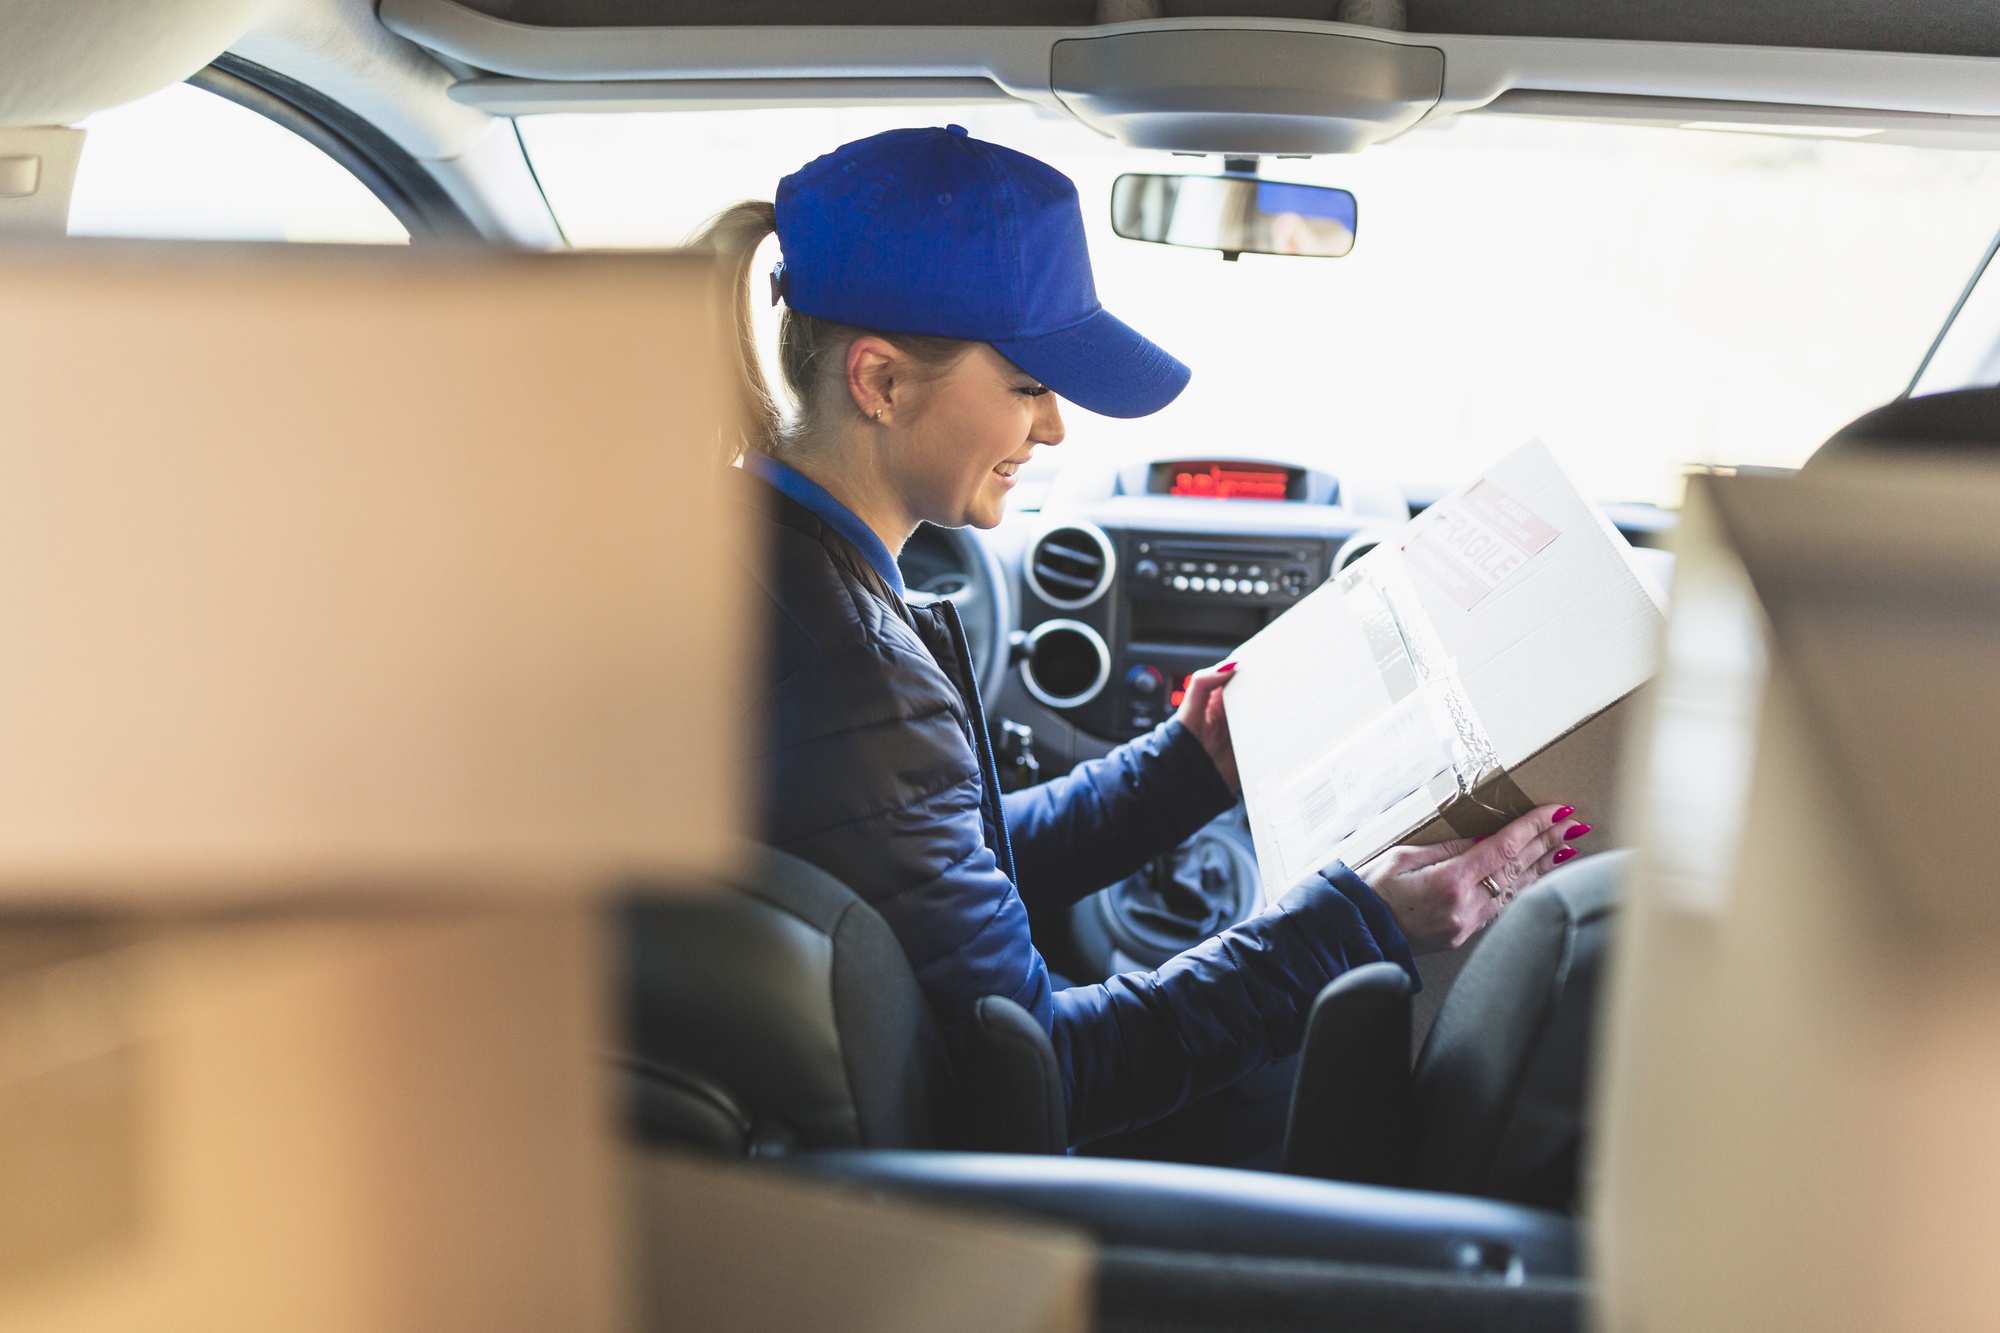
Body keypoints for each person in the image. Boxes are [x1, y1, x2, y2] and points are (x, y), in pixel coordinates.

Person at [708, 126, 1589, 1157]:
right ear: (881, 382)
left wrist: (1180, 770)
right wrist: (1361, 923)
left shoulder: (755, 566)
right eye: (1029, 385)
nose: (1054, 428)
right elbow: (1046, 1071)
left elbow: (926, 862)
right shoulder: (855, 680)